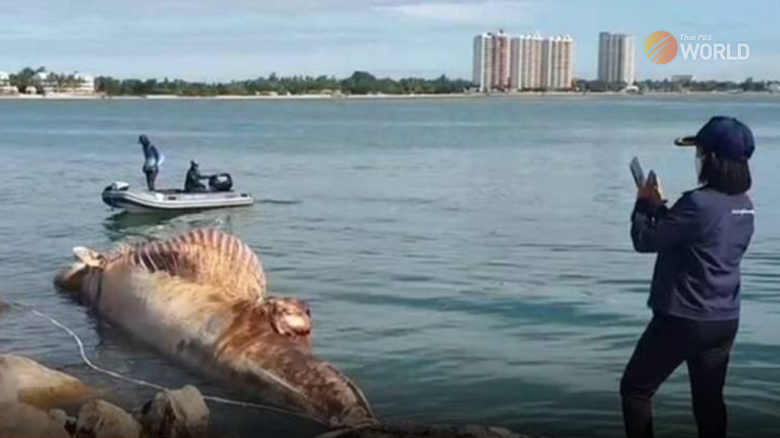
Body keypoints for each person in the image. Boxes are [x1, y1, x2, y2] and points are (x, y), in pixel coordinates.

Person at [621, 116, 755, 438]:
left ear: (710, 159)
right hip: (723, 319)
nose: (697, 159)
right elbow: (693, 236)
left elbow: (646, 241)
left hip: (684, 318)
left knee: (636, 389)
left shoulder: (698, 202)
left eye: (699, 152)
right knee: (709, 402)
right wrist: (660, 207)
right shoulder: (744, 206)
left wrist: (642, 204)